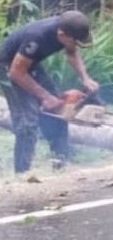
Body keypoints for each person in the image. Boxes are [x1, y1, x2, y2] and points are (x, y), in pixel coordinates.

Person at [0, 10, 98, 173]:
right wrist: (45, 97)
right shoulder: (37, 37)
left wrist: (85, 78)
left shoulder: (68, 29)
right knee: (27, 121)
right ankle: (22, 173)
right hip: (7, 68)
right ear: (62, 34)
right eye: (74, 41)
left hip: (28, 65)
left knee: (59, 110)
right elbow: (16, 72)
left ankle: (60, 165)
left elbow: (72, 52)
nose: (75, 45)